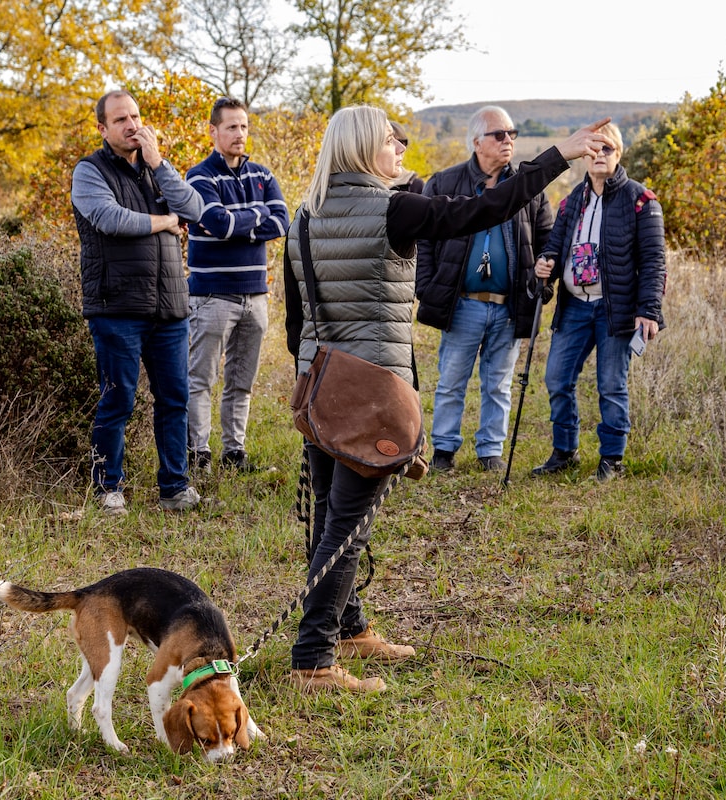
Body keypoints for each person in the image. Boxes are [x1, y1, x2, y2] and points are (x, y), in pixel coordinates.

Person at [282, 105, 614, 694]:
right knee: (346, 526)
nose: (400, 149)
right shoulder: (394, 208)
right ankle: (313, 660)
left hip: (318, 384)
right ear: (363, 148)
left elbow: (294, 322)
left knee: (331, 514)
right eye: (391, 140)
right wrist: (558, 156)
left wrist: (315, 377)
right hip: (370, 389)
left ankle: (349, 629)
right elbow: (487, 208)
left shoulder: (304, 216)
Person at [71, 89, 204, 516]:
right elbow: (110, 219)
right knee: (118, 401)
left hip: (169, 308)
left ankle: (174, 488)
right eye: (120, 120)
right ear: (102, 128)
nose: (132, 125)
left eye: (135, 117)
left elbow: (195, 208)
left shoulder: (156, 168)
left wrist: (159, 164)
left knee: (175, 399)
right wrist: (167, 221)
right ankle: (108, 489)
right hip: (117, 308)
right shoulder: (89, 171)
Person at [416, 106, 553, 473]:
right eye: (499, 134)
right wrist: (428, 289)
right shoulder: (445, 183)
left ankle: (490, 451)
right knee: (451, 381)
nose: (508, 140)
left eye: (512, 134)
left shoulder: (528, 188)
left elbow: (547, 240)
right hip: (462, 304)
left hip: (509, 305)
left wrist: (543, 279)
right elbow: (423, 241)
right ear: (477, 142)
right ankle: (444, 450)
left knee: (498, 384)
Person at [530, 121, 666, 481]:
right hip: (574, 305)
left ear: (619, 153)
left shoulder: (641, 200)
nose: (600, 155)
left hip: (614, 308)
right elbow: (554, 247)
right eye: (593, 149)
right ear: (584, 156)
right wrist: (546, 263)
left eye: (607, 148)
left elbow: (654, 261)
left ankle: (612, 459)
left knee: (610, 384)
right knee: (557, 379)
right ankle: (565, 452)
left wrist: (648, 311)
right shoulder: (572, 201)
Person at [185, 97, 290, 472]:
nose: (239, 133)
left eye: (244, 126)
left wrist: (242, 220)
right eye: (231, 126)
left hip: (255, 295)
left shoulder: (262, 175)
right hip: (212, 296)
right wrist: (258, 212)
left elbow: (282, 221)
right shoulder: (199, 177)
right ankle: (198, 455)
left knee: (241, 381)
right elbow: (219, 223)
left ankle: (234, 453)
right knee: (200, 379)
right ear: (213, 131)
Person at [388, 121, 424, 193]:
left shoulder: (416, 186)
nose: (402, 148)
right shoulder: (365, 186)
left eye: (402, 143)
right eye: (389, 142)